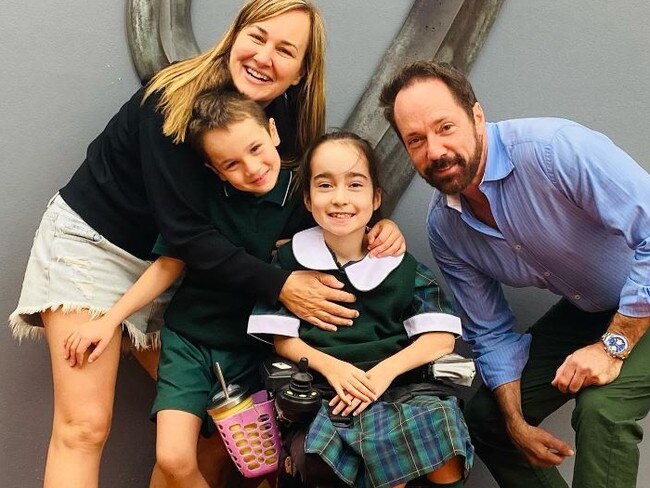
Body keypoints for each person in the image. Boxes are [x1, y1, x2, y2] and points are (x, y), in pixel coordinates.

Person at [8, 2, 404, 486]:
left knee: (217, 432)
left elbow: (311, 196)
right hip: (97, 248)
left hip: (186, 270)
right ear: (235, 33)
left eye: (285, 50)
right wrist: (282, 285)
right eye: (257, 37)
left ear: (302, 72)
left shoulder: (278, 118)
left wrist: (378, 227)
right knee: (84, 425)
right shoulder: (170, 98)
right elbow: (185, 234)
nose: (264, 56)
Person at [378, 59, 650, 488]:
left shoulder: (554, 149)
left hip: (643, 291)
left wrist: (611, 347)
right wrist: (516, 422)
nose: (434, 150)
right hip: (593, 305)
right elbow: (489, 332)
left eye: (445, 127)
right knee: (491, 419)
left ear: (477, 116)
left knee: (603, 411)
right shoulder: (446, 228)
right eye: (416, 139)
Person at [64, 89, 324, 487]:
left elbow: (348, 223)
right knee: (173, 458)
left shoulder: (302, 200)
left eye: (255, 148)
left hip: (252, 353)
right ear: (215, 169)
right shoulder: (203, 200)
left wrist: (384, 229)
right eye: (232, 164)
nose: (251, 168)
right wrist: (109, 321)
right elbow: (168, 263)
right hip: (188, 343)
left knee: (260, 466)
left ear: (273, 131)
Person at [248, 131, 473, 488]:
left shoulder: (399, 266)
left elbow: (441, 337)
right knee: (347, 458)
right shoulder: (289, 262)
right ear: (307, 198)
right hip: (325, 394)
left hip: (398, 388)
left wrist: (382, 374)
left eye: (355, 185)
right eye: (325, 185)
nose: (340, 199)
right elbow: (282, 340)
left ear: (375, 197)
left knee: (443, 444)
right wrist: (333, 368)